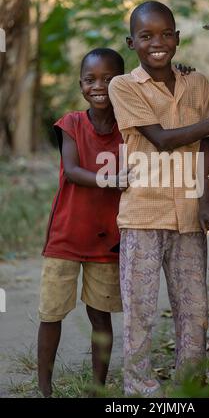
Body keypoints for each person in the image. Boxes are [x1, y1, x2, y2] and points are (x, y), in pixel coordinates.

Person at [108, 0, 209, 396]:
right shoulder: (122, 86)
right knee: (139, 310)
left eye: (166, 34)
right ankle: (140, 389)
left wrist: (207, 200)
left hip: (190, 211)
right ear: (131, 42)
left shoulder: (198, 83)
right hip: (144, 211)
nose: (158, 42)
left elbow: (204, 142)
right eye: (147, 36)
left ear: (177, 38)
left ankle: (189, 385)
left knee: (193, 310)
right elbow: (162, 140)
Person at [38, 48, 127, 398]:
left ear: (123, 83)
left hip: (107, 239)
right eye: (91, 79)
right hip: (66, 237)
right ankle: (44, 387)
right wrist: (115, 179)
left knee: (100, 315)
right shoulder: (72, 123)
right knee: (51, 313)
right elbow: (73, 172)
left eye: (108, 78)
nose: (99, 85)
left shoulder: (129, 127)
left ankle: (97, 389)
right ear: (80, 86)